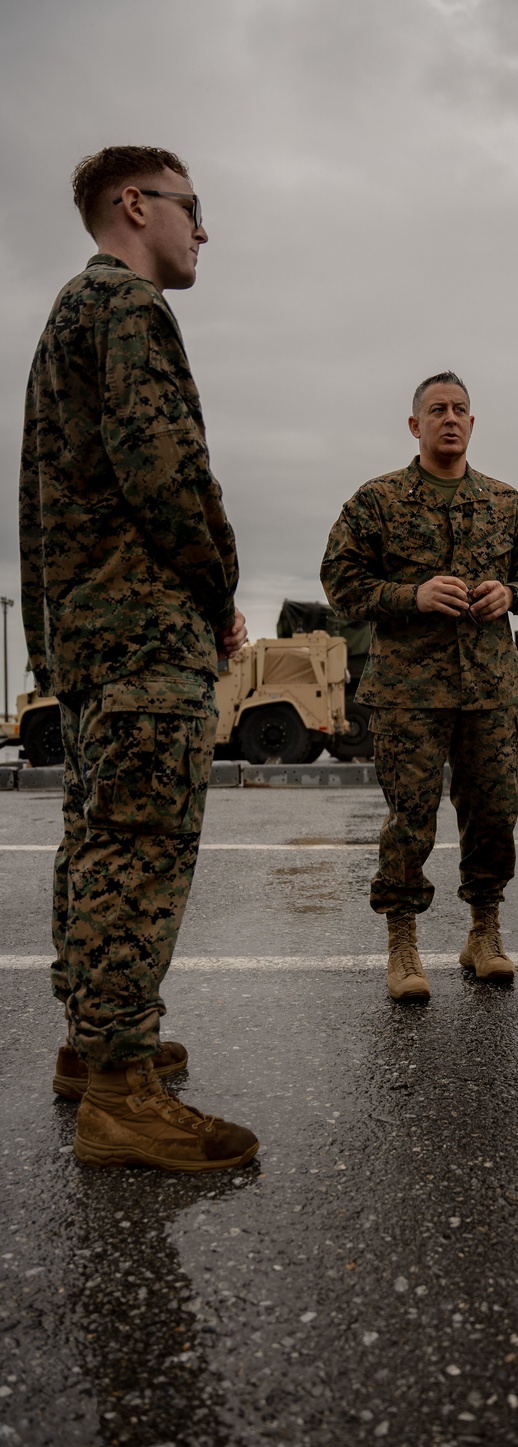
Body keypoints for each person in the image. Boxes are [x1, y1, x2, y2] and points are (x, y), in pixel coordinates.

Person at [19, 146, 258, 1170]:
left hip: (90, 629)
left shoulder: (71, 312)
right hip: (141, 623)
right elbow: (167, 472)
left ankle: (93, 1045)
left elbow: (41, 503)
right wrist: (217, 590)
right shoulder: (126, 309)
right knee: (140, 848)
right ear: (135, 204)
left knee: (97, 836)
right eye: (193, 208)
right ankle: (121, 1092)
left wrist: (50, 644)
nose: (203, 229)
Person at [321, 372, 518, 1001]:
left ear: (473, 424)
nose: (450, 418)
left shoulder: (506, 503)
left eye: (460, 410)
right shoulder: (377, 501)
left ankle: (484, 933)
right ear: (415, 425)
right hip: (407, 691)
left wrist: (515, 593)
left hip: (488, 688)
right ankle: (403, 943)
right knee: (410, 820)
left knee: (495, 814)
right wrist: (411, 595)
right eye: (436, 410)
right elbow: (340, 585)